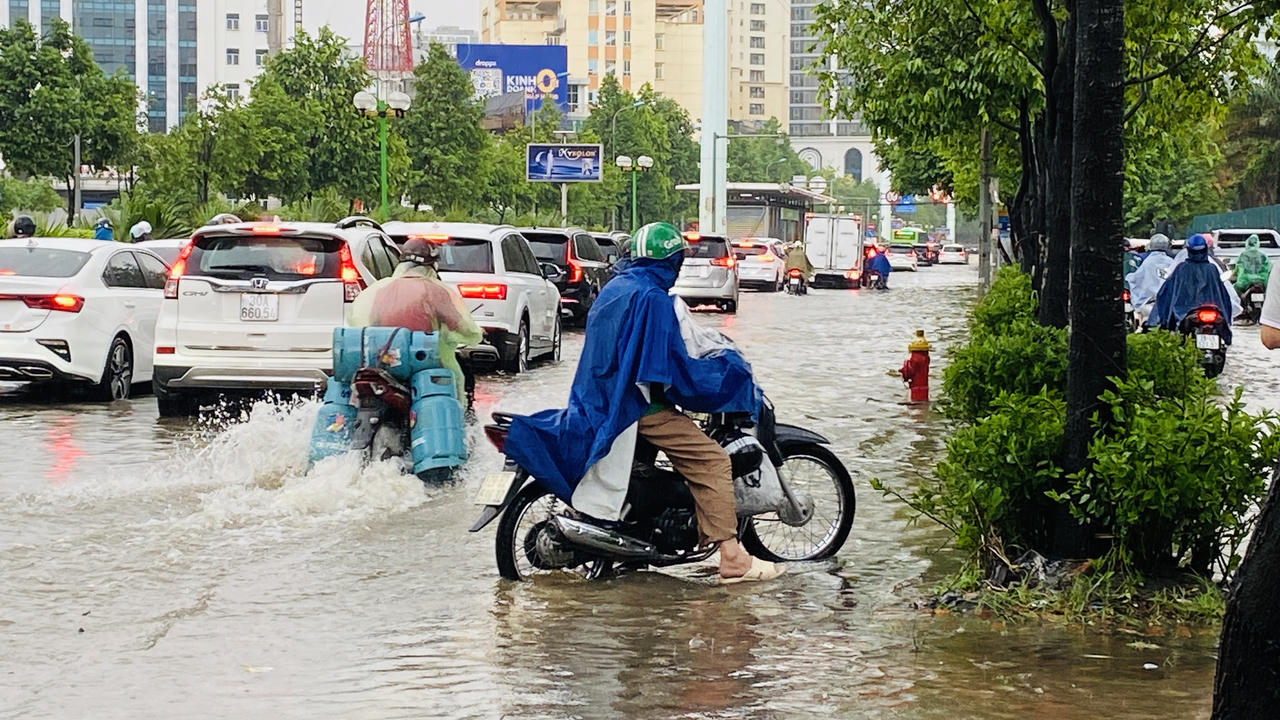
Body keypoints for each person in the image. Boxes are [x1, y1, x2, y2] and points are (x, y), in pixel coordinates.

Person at [503, 222, 784, 583]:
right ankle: (731, 555)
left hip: (598, 398)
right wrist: (719, 378)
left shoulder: (616, 288)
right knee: (712, 461)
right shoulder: (653, 299)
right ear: (670, 262)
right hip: (635, 407)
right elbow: (668, 369)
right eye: (678, 261)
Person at [348, 236, 482, 403]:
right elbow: (463, 327)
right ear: (432, 265)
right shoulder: (437, 291)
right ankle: (459, 415)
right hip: (427, 364)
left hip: (383, 362)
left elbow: (360, 324)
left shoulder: (377, 290)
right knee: (457, 380)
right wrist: (475, 333)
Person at [1146, 234, 1237, 343]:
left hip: (1183, 311)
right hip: (1206, 310)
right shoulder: (1211, 268)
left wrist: (1158, 320)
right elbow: (1223, 296)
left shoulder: (1182, 268)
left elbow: (1166, 293)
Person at [1126, 233, 1176, 320]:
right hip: (1168, 303)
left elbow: (1136, 279)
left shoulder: (1147, 262)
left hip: (1148, 302)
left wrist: (1128, 277)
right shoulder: (1172, 262)